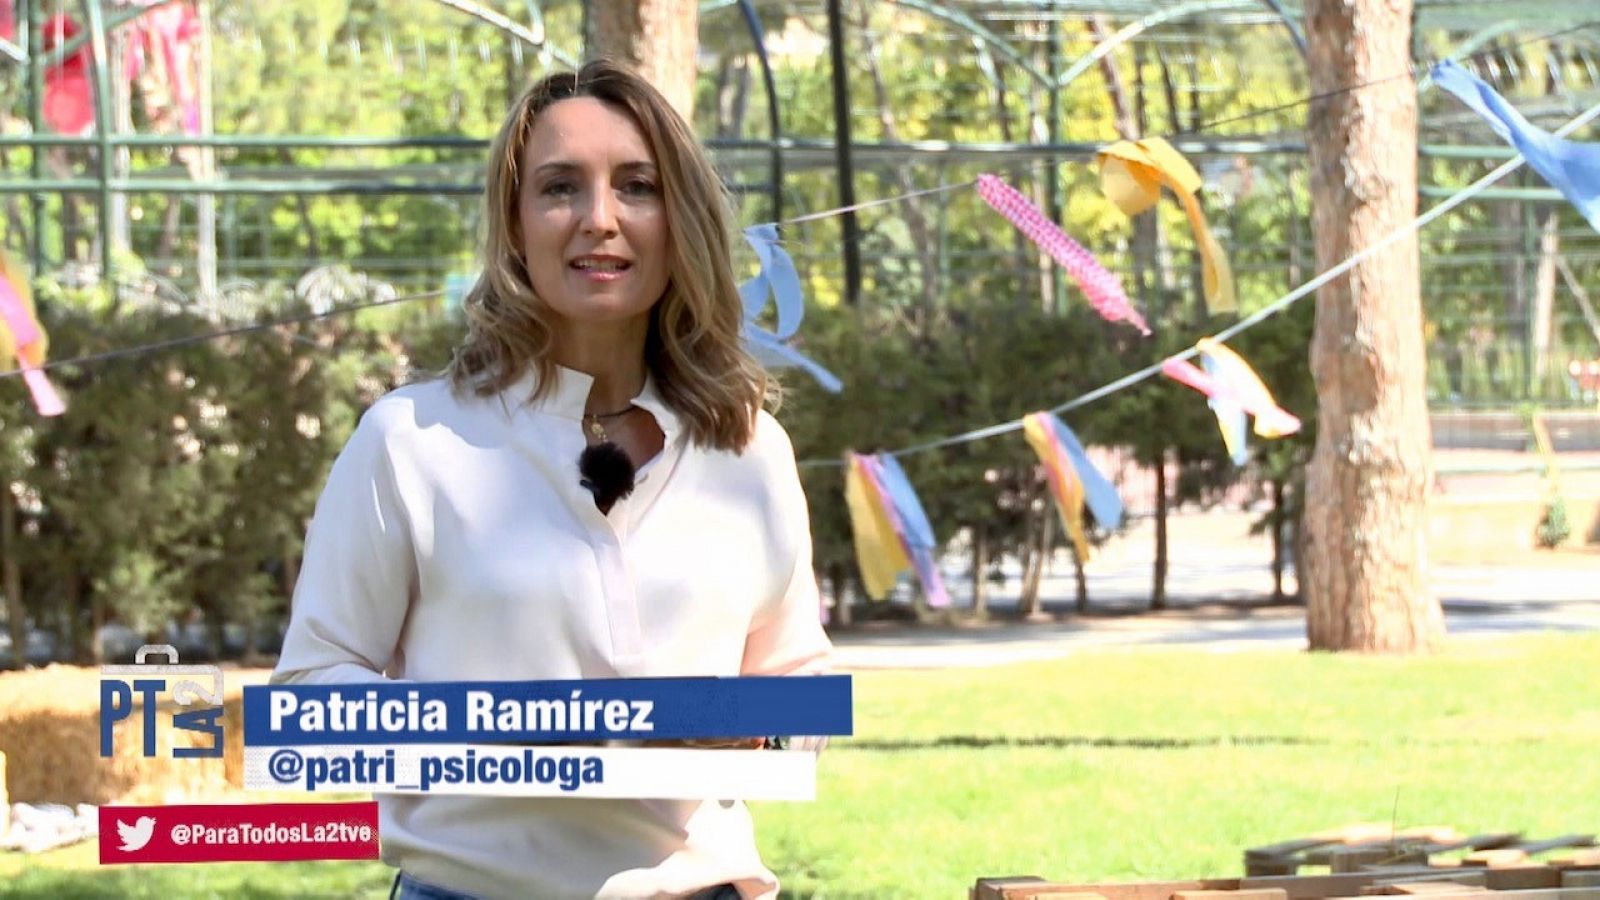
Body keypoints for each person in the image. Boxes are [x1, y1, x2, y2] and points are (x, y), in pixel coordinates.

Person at [271, 59, 833, 900]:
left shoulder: (752, 451)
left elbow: (798, 684)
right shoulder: (411, 441)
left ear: (680, 220)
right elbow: (315, 696)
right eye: (561, 188)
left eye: (637, 186)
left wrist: (748, 730)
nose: (599, 220)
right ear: (515, 224)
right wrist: (504, 725)